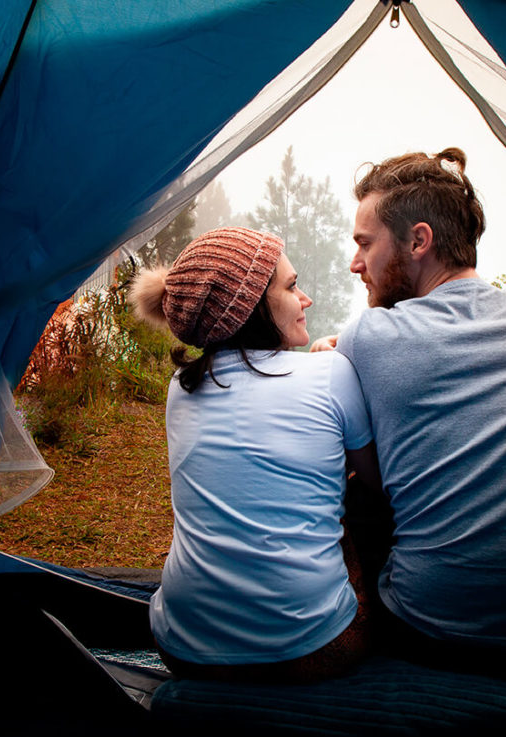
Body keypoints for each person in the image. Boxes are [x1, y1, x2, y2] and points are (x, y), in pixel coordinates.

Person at [316, 148, 506, 679]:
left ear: (418, 241)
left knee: (353, 479)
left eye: (364, 244)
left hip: (426, 634)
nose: (356, 264)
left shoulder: (366, 338)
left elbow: (377, 479)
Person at [130, 227, 379, 683]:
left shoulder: (180, 390)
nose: (305, 300)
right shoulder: (331, 375)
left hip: (183, 646)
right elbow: (376, 480)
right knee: (359, 509)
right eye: (290, 286)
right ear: (248, 307)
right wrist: (332, 367)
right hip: (313, 649)